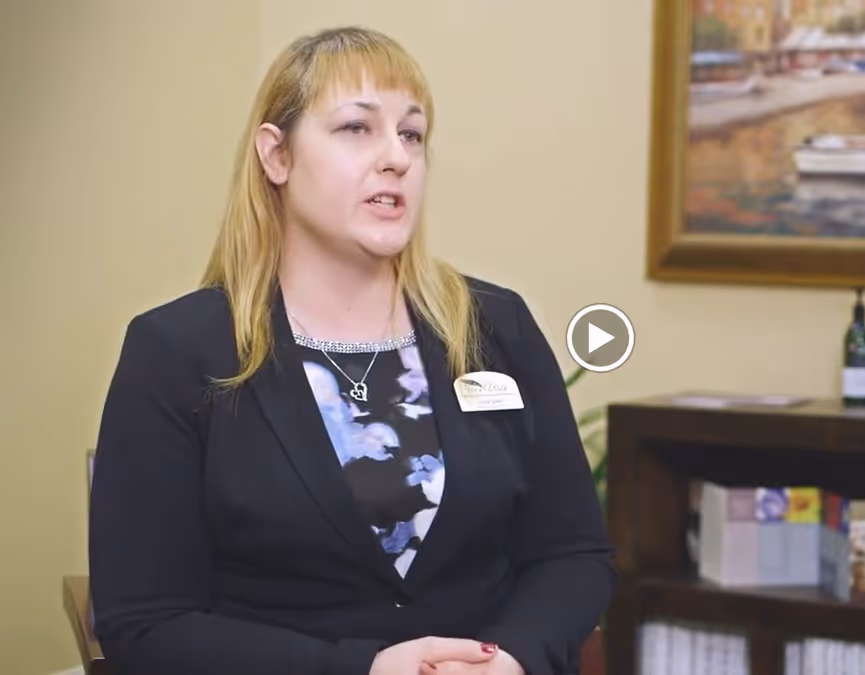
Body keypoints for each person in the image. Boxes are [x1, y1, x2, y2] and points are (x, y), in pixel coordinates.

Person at [87, 25, 614, 675]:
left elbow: (572, 553)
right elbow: (146, 622)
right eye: (357, 129)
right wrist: (362, 668)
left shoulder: (494, 326)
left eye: (411, 134)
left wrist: (510, 657)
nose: (395, 156)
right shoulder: (176, 349)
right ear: (276, 156)